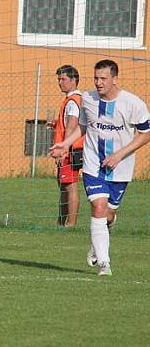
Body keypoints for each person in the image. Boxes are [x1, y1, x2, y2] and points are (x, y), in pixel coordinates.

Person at [50, 59, 150, 276]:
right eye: (96, 78)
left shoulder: (133, 104)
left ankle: (98, 243)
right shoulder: (88, 99)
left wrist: (120, 154)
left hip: (121, 167)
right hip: (93, 164)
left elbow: (146, 133)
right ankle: (105, 264)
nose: (98, 82)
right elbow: (84, 126)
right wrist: (65, 144)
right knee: (97, 207)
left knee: (108, 215)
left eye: (103, 78)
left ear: (115, 79)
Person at [46, 65, 84, 227]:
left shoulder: (73, 102)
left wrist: (64, 151)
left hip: (70, 151)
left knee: (70, 186)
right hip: (69, 149)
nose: (60, 82)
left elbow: (72, 126)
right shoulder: (71, 99)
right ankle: (61, 222)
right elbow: (66, 124)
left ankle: (71, 224)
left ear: (74, 80)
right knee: (63, 185)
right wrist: (55, 124)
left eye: (63, 79)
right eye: (58, 79)